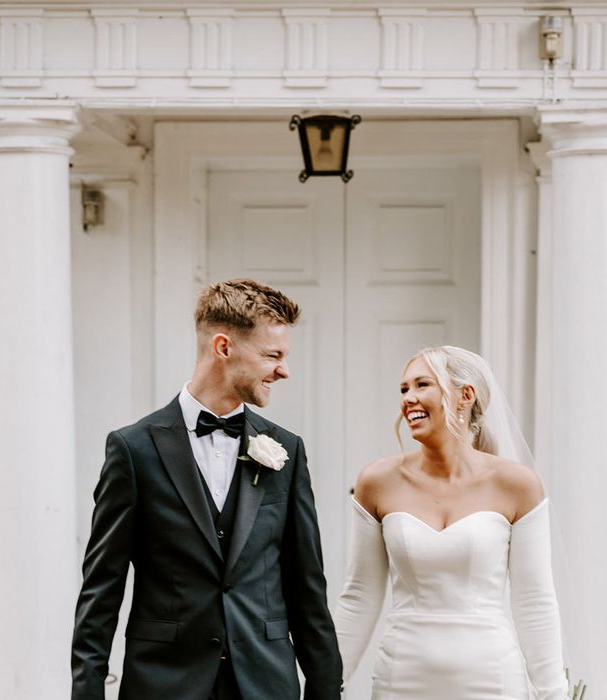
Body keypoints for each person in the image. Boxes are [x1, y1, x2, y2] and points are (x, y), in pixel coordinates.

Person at [71, 279, 342, 700]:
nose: (284, 370)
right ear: (223, 347)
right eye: (273, 355)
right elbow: (101, 589)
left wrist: (325, 690)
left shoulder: (286, 450)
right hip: (164, 683)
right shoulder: (133, 449)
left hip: (265, 683)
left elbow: (307, 586)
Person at [333, 346, 567, 699]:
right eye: (403, 389)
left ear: (465, 396)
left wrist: (553, 693)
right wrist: (325, 685)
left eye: (421, 385)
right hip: (401, 678)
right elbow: (359, 597)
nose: (408, 398)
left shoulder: (518, 485)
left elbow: (534, 601)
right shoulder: (376, 482)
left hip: (492, 678)